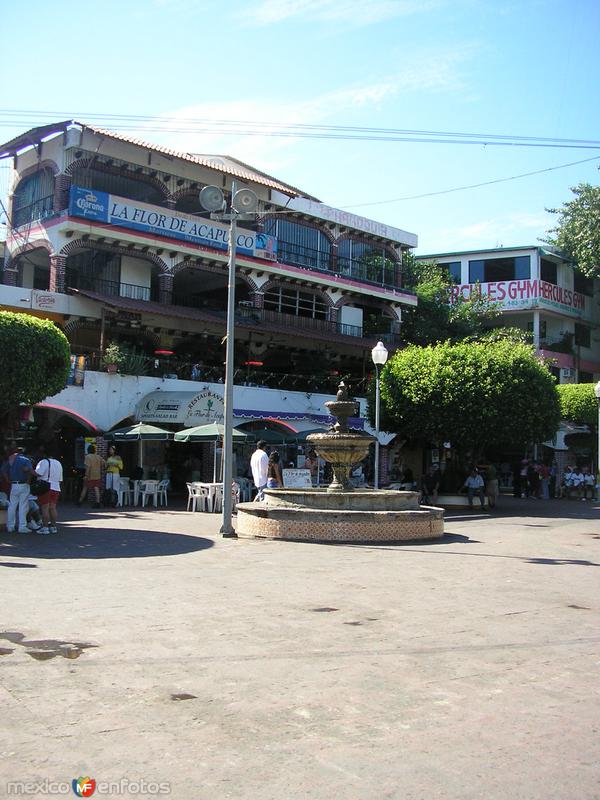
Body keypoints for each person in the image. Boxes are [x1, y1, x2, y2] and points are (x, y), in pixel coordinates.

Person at [1, 444, 34, 533]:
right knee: (23, 506)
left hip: (14, 484)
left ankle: (10, 526)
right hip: (23, 484)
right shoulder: (26, 460)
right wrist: (28, 481)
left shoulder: (10, 459)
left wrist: (8, 480)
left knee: (12, 505)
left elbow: (3, 470)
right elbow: (30, 471)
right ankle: (22, 526)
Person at [34, 450, 63, 534]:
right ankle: (53, 527)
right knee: (53, 507)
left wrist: (30, 470)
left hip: (46, 487)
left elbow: (38, 473)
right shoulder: (58, 463)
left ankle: (45, 527)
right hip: (56, 487)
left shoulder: (43, 462)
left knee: (44, 508)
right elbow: (60, 479)